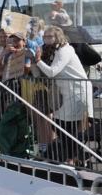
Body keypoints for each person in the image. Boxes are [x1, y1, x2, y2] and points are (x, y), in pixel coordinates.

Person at [35, 26, 92, 165]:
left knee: (67, 126)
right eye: (45, 37)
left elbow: (52, 72)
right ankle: (76, 156)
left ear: (57, 37)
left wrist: (38, 61)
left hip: (77, 92)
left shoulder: (64, 50)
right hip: (67, 93)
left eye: (50, 37)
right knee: (61, 124)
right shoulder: (56, 50)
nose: (46, 39)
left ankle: (73, 158)